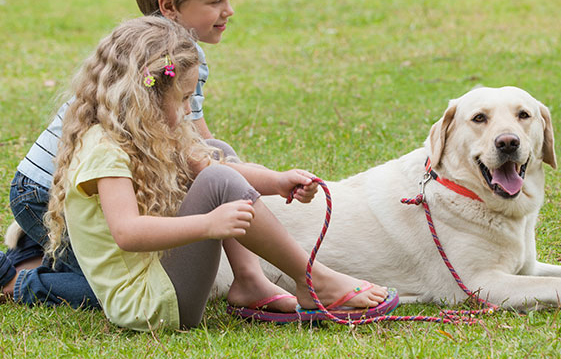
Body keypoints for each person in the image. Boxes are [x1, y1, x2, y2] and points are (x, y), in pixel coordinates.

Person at [2, 17, 396, 330]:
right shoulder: (104, 150)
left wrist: (276, 181)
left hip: (161, 275)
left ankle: (250, 282)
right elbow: (128, 232)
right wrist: (208, 224)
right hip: (151, 305)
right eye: (185, 98)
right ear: (146, 95)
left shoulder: (145, 129)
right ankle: (314, 280)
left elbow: (215, 164)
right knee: (216, 179)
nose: (190, 111)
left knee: (215, 156)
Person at [2, 0, 296, 312]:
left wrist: (266, 182)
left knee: (214, 163)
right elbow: (198, 163)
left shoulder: (177, 55)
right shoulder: (152, 60)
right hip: (43, 193)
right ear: (169, 6)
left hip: (95, 189)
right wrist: (218, 207)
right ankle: (19, 277)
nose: (229, 9)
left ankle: (249, 276)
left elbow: (202, 152)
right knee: (119, 285)